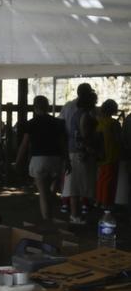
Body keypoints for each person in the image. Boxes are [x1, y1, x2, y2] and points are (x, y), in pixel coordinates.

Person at [16, 95, 68, 221]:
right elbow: (62, 144)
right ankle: (51, 214)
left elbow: (24, 144)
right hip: (56, 160)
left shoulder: (31, 123)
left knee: (43, 194)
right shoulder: (58, 123)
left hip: (38, 160)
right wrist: (67, 160)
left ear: (35, 107)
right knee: (50, 191)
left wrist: (18, 161)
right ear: (47, 107)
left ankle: (47, 219)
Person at [59, 83, 94, 214]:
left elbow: (61, 125)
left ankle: (65, 204)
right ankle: (82, 206)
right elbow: (84, 135)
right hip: (79, 149)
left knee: (71, 179)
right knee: (80, 180)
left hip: (70, 146)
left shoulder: (68, 107)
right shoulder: (87, 113)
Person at [66, 89, 100, 224]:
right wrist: (90, 150)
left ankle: (76, 215)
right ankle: (75, 216)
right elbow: (84, 136)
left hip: (74, 152)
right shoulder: (85, 116)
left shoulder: (76, 114)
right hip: (80, 154)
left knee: (75, 186)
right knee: (76, 187)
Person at [95, 99, 122, 210]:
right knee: (109, 181)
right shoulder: (113, 123)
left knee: (101, 179)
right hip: (111, 155)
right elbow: (118, 139)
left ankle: (99, 201)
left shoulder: (98, 122)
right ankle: (106, 203)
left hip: (101, 155)